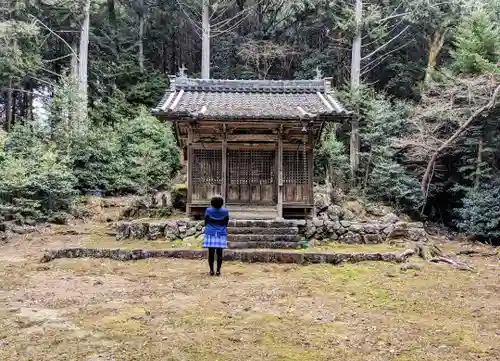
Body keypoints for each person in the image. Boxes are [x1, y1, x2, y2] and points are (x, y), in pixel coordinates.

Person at [202, 195, 229, 276]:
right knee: (219, 253)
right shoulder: (225, 211)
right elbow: (226, 222)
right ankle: (218, 271)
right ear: (221, 202)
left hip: (210, 232)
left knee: (211, 253)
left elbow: (206, 221)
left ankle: (211, 270)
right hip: (221, 232)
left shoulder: (208, 210)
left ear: (212, 202)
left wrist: (208, 226)